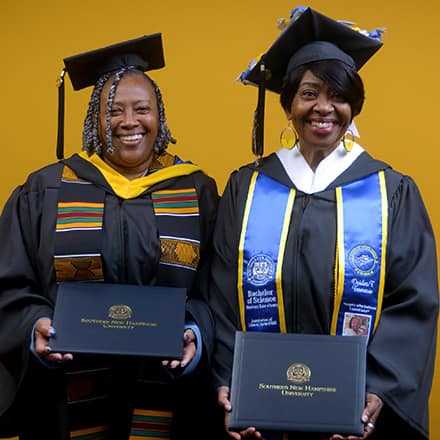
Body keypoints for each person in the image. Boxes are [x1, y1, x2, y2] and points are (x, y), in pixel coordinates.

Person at [209, 6, 438, 440]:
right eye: (310, 93)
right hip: (261, 406)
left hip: (352, 410)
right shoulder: (249, 187)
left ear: (354, 106)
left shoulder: (391, 192)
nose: (324, 108)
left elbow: (414, 303)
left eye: (339, 96)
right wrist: (227, 378)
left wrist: (378, 390)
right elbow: (219, 293)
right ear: (289, 103)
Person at [0, 34, 221, 439]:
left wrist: (195, 332)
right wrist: (36, 325)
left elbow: (217, 290)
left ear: (161, 116)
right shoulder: (45, 189)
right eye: (113, 111)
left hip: (168, 397)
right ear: (94, 120)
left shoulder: (195, 191)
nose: (129, 122)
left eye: (142, 109)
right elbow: (9, 283)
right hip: (66, 395)